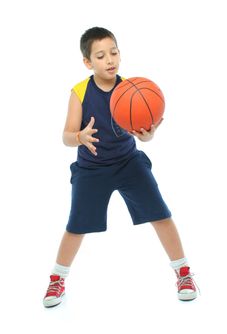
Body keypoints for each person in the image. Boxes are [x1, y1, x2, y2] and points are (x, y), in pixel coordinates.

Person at [43, 27, 198, 308]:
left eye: (114, 52)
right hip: (91, 169)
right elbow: (65, 136)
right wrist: (78, 137)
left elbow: (143, 131)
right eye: (101, 55)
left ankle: (184, 272)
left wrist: (147, 136)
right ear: (88, 62)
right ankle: (57, 279)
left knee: (161, 214)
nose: (110, 60)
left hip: (128, 162)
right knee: (76, 226)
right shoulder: (79, 92)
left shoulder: (131, 88)